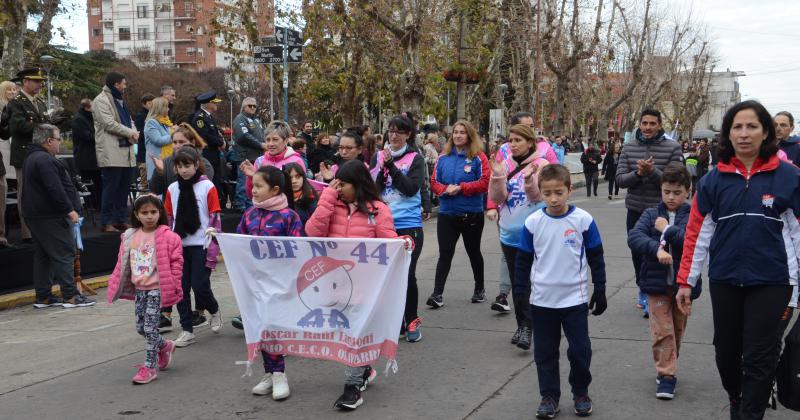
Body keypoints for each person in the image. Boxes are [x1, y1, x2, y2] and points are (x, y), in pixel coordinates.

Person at [676, 100, 800, 420]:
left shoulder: (788, 176)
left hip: (773, 280)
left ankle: (750, 411)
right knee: (726, 354)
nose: (744, 134)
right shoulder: (713, 181)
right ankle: (736, 396)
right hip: (726, 277)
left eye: (752, 127)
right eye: (737, 127)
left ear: (766, 133)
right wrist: (686, 282)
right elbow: (697, 234)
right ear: (728, 135)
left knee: (759, 354)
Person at [305, 160, 407, 410]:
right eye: (337, 183)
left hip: (367, 288)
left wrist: (403, 244)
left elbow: (388, 243)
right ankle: (364, 369)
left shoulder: (378, 209)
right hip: (335, 287)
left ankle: (352, 388)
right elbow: (313, 233)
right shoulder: (331, 205)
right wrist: (327, 198)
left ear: (358, 184)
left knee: (354, 335)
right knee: (348, 335)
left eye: (344, 184)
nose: (339, 188)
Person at [515, 164, 607, 419]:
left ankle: (580, 392)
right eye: (547, 193)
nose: (553, 199)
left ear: (569, 190)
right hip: (542, 301)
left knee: (580, 351)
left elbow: (596, 257)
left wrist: (600, 288)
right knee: (545, 353)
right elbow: (522, 260)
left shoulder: (583, 220)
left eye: (558, 192)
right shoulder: (533, 222)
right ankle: (549, 397)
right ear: (541, 193)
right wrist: (520, 291)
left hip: (573, 300)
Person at [627, 163, 701, 400]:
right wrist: (655, 250)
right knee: (663, 331)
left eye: (677, 192)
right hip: (656, 284)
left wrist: (667, 230)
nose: (671, 197)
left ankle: (668, 362)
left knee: (676, 331)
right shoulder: (650, 214)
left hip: (683, 286)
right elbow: (635, 237)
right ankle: (667, 375)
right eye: (667, 191)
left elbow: (694, 241)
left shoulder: (692, 215)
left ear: (688, 192)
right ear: (661, 190)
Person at [236, 166, 302, 400]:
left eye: (258, 186)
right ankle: (269, 373)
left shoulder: (289, 217)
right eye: (252, 186)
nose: (252, 190)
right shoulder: (249, 214)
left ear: (274, 189)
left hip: (279, 284)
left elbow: (297, 250)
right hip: (255, 283)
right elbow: (239, 243)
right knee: (260, 327)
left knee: (273, 327)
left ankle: (279, 375)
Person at [106, 194, 183, 384]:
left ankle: (149, 368)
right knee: (141, 328)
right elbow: (122, 262)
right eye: (144, 212)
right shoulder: (129, 236)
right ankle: (165, 346)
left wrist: (173, 284)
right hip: (140, 289)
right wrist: (116, 283)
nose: (149, 216)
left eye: (153, 212)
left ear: (160, 213)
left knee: (150, 328)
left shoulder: (169, 237)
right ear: (136, 214)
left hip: (157, 288)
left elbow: (176, 263)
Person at [487, 124, 549, 350]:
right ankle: (523, 325)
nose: (512, 144)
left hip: (534, 235)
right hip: (509, 234)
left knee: (534, 283)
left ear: (530, 142)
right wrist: (497, 176)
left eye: (517, 140)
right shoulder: (504, 164)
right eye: (510, 140)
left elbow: (538, 198)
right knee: (518, 283)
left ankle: (532, 326)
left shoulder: (542, 164)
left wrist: (530, 179)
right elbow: (498, 196)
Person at [615, 108, 683, 317]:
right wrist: (638, 173)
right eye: (644, 123)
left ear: (660, 125)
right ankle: (643, 289)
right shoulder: (628, 147)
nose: (647, 127)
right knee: (638, 252)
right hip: (635, 210)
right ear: (639, 124)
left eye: (652, 123)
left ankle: (663, 291)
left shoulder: (672, 147)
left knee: (661, 251)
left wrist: (651, 171)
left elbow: (676, 180)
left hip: (660, 212)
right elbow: (619, 180)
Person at [148, 124, 214, 330]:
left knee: (199, 282)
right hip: (177, 234)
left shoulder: (203, 165)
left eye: (181, 142)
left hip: (199, 233)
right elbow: (156, 189)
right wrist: (160, 172)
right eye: (174, 142)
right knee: (176, 280)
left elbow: (204, 192)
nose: (176, 146)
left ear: (192, 143)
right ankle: (167, 313)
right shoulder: (168, 163)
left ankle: (201, 310)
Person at [371, 115, 429, 342]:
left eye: (399, 132)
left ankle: (411, 319)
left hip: (408, 225)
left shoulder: (415, 158)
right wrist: (381, 169)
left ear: (408, 135)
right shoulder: (378, 156)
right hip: (382, 225)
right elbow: (373, 190)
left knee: (408, 274)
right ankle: (393, 321)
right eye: (391, 131)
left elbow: (410, 188)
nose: (393, 135)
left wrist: (391, 168)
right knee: (386, 277)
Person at [24, 124, 95, 308]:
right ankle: (71, 296)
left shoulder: (32, 157)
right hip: (50, 215)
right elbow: (54, 188)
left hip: (35, 215)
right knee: (65, 253)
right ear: (48, 141)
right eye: (58, 139)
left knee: (43, 256)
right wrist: (69, 209)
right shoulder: (45, 160)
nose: (60, 142)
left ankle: (43, 297)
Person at [164, 147, 223, 347]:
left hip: (201, 245)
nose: (184, 170)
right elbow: (169, 217)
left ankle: (214, 310)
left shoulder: (207, 186)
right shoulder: (172, 188)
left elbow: (215, 216)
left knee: (200, 286)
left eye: (187, 165)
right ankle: (187, 330)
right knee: (181, 289)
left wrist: (214, 239)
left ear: (196, 164)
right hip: (179, 246)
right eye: (180, 166)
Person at [428, 120, 489, 309]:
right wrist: (446, 189)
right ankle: (437, 294)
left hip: (471, 214)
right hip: (447, 214)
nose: (458, 135)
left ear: (469, 136)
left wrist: (461, 188)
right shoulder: (443, 158)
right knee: (445, 253)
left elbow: (485, 182)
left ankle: (479, 289)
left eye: (462, 132)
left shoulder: (479, 157)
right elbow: (434, 181)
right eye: (455, 132)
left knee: (473, 252)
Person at [7, 69, 52, 243]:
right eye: (36, 81)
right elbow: (18, 127)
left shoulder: (39, 102)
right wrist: (42, 126)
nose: (40, 84)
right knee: (25, 193)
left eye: (40, 81)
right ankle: (27, 232)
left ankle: (41, 228)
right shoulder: (16, 102)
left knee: (42, 191)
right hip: (24, 153)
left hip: (40, 153)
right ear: (25, 81)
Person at [92, 71, 140, 233]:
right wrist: (130, 133)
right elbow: (108, 123)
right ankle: (106, 222)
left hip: (126, 150)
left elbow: (130, 120)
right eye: (123, 83)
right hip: (111, 151)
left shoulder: (119, 100)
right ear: (116, 84)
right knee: (111, 188)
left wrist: (134, 132)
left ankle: (120, 219)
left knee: (124, 188)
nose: (125, 86)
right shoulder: (101, 100)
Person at [240, 120, 306, 198]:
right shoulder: (259, 161)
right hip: (264, 208)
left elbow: (302, 190)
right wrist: (251, 177)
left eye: (275, 139)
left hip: (288, 208)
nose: (271, 144)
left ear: (286, 141)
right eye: (268, 140)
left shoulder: (296, 161)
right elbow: (252, 195)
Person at [191, 91, 226, 206]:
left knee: (216, 181)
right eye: (213, 102)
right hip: (207, 154)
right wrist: (220, 142)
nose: (216, 104)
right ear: (207, 104)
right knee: (208, 180)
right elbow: (205, 136)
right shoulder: (200, 118)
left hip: (214, 154)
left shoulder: (208, 117)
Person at [231, 97, 265, 210]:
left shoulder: (256, 120)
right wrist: (261, 145)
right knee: (243, 183)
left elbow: (261, 135)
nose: (253, 108)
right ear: (244, 106)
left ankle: (250, 205)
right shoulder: (240, 119)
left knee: (253, 182)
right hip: (244, 157)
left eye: (255, 106)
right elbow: (243, 136)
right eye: (250, 105)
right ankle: (240, 206)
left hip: (255, 157)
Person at [0, 80, 18, 247]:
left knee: (4, 194)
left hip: (6, 157)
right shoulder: (2, 106)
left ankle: (4, 233)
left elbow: (6, 134)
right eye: (9, 90)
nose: (13, 92)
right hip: (4, 152)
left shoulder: (12, 107)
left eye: (14, 89)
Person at [143, 97, 174, 181]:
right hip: (157, 164)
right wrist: (174, 135)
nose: (168, 109)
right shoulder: (151, 122)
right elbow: (158, 140)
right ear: (161, 108)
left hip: (167, 163)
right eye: (167, 107)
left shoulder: (166, 122)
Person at [134, 93, 155, 189]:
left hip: (153, 150)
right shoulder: (140, 116)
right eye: (150, 103)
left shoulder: (154, 115)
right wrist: (152, 133)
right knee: (145, 178)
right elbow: (139, 133)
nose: (152, 105)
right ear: (144, 104)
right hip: (143, 150)